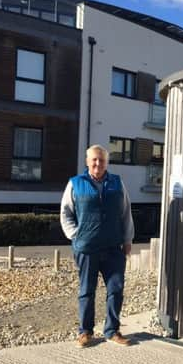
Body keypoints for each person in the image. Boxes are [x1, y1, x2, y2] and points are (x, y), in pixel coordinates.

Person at [60, 144, 135, 348]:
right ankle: (85, 332)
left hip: (113, 248)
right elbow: (66, 213)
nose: (98, 163)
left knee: (116, 289)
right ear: (87, 162)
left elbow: (125, 213)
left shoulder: (117, 183)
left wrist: (128, 239)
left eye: (101, 160)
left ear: (106, 162)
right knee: (86, 290)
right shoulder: (76, 183)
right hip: (87, 248)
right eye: (94, 159)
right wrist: (76, 235)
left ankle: (112, 331)